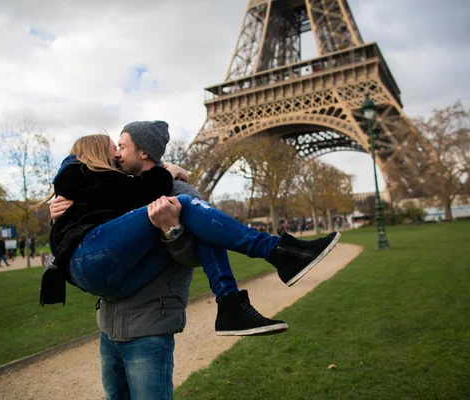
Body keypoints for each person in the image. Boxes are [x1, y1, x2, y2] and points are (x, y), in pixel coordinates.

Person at [49, 122, 340, 399]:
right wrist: (63, 217)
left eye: (122, 146)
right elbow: (72, 248)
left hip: (149, 322)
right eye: (115, 147)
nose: (116, 153)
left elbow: (194, 256)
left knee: (187, 208)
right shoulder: (102, 189)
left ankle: (262, 270)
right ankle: (274, 260)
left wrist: (171, 230)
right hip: (110, 320)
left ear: (144, 151)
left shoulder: (177, 191)